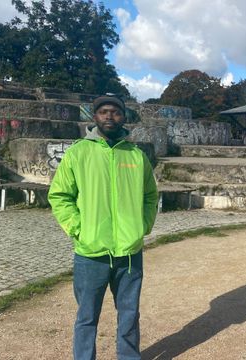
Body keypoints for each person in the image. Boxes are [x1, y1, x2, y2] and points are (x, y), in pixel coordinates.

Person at [48, 94, 158, 360]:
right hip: (90, 253)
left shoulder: (136, 155)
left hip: (129, 254)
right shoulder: (78, 153)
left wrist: (141, 226)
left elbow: (150, 196)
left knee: (130, 315)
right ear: (94, 117)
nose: (110, 116)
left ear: (124, 117)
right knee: (87, 317)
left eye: (116, 112)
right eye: (104, 112)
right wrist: (78, 229)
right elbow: (60, 196)